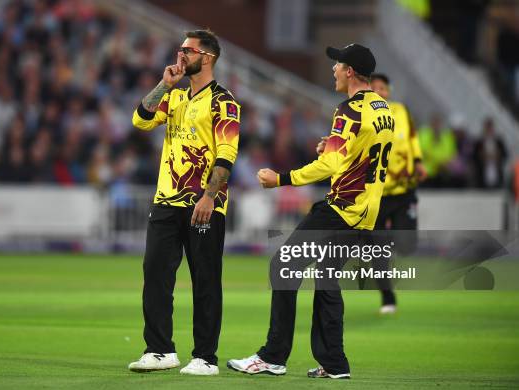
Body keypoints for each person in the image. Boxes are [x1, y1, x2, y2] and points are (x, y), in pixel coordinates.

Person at [227, 44, 393, 379]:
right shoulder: (383, 108)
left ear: (350, 71)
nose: (333, 69)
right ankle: (335, 364)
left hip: (341, 209)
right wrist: (332, 148)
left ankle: (272, 356)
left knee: (283, 266)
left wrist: (281, 179)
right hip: (365, 213)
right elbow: (362, 154)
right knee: (327, 278)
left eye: (337, 64)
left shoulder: (349, 110)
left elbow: (330, 164)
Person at [128, 29, 240, 376]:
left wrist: (210, 196)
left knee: (205, 280)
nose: (180, 55)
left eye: (187, 50)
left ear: (208, 58)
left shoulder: (225, 102)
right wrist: (165, 84)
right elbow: (140, 120)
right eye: (180, 49)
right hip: (166, 200)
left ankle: (205, 357)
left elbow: (226, 154)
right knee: (155, 274)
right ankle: (160, 350)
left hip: (202, 204)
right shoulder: (174, 97)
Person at [370, 73, 427, 314]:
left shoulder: (401, 111)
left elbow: (412, 138)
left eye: (383, 88)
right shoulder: (364, 116)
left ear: (388, 91)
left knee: (406, 245)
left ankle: (388, 240)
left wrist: (418, 161)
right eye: (374, 89)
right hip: (376, 194)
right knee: (376, 251)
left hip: (404, 190)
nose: (379, 92)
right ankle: (387, 298)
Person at [473, 118, 508, 189]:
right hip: (482, 175)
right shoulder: (479, 142)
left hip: (497, 173)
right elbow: (474, 157)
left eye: (490, 127)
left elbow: (505, 155)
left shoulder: (499, 141)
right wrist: (483, 157)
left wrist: (497, 156)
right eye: (487, 127)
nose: (489, 129)